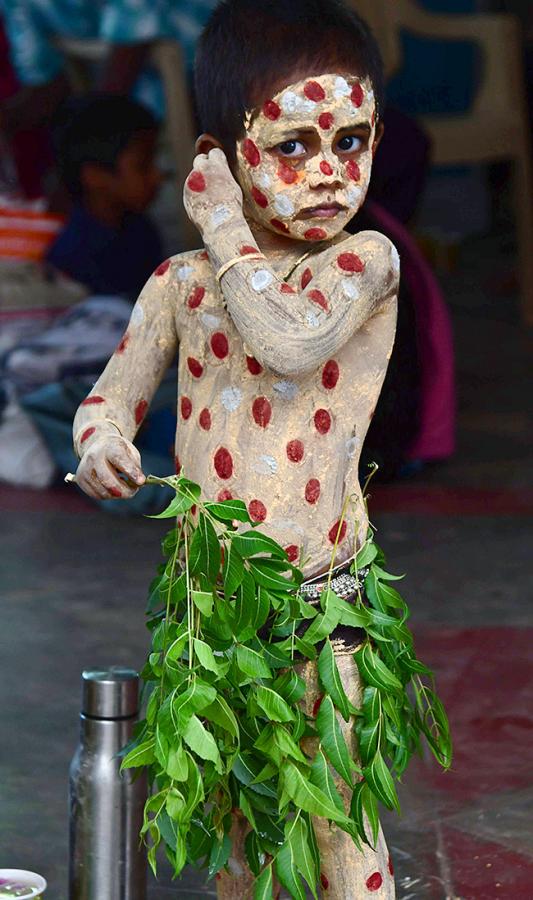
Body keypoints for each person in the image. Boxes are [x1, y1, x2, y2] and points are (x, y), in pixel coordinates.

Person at [72, 0, 398, 895]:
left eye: (351, 141)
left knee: (335, 805)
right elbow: (111, 398)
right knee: (235, 816)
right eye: (292, 145)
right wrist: (100, 443)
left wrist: (220, 230)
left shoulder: (365, 264)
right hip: (210, 616)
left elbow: (287, 343)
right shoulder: (182, 283)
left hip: (321, 609)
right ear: (221, 160)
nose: (328, 172)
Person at [45, 93, 163, 298]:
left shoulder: (141, 231)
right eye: (143, 166)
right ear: (95, 177)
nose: (157, 176)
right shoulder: (72, 259)